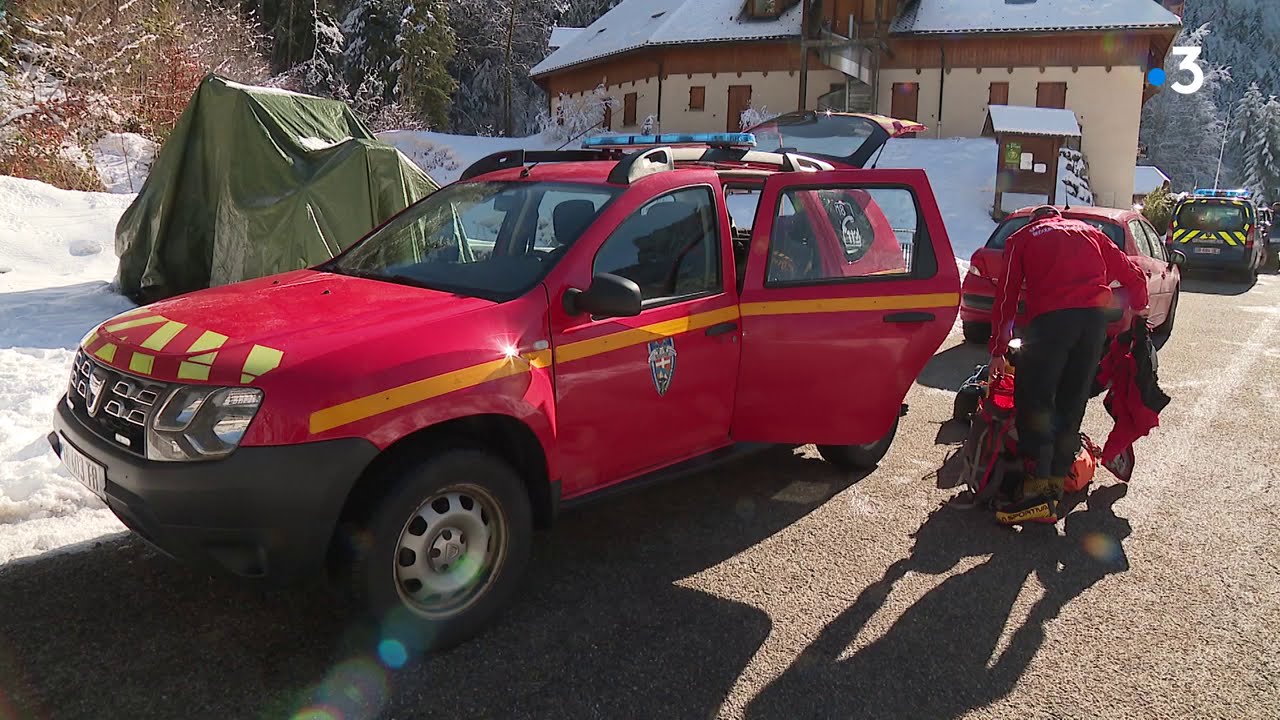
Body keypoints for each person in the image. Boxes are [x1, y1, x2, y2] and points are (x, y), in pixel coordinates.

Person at [988, 206, 1149, 525]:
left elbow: (1006, 298)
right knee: (1070, 402)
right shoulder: (1092, 232)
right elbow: (1133, 274)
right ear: (1057, 219)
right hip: (1092, 325)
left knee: (1034, 400)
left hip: (1050, 323)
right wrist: (1140, 310)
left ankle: (1038, 494)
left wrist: (998, 349)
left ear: (1036, 221)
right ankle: (1057, 485)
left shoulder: (1022, 238)